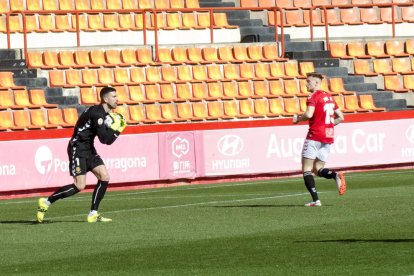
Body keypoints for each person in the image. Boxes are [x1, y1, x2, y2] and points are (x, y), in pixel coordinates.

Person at [36, 86, 126, 223]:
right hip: (77, 148)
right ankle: (46, 202)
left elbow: (104, 137)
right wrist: (118, 129)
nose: (117, 99)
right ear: (105, 99)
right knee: (79, 186)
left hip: (89, 148)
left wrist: (114, 128)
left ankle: (93, 214)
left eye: (116, 96)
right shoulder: (98, 114)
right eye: (114, 96)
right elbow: (105, 140)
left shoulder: (103, 114)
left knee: (104, 176)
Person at [293, 72, 346, 207]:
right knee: (318, 168)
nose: (306, 84)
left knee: (306, 169)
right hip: (328, 136)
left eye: (308, 81)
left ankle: (316, 200)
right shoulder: (329, 96)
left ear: (316, 83)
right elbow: (341, 117)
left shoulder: (313, 96)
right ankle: (335, 175)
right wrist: (327, 125)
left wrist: (298, 119)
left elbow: (309, 114)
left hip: (315, 135)